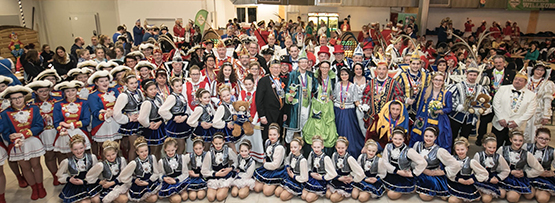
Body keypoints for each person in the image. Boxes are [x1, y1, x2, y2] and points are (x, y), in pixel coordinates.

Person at [1, 85, 47, 200]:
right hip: (17, 144)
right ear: (10, 100)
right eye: (14, 98)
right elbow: (5, 132)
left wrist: (24, 134)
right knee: (25, 167)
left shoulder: (34, 108)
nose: (18, 100)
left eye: (20, 97)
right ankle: (34, 188)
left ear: (24, 97)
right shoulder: (4, 113)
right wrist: (12, 137)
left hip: (32, 140)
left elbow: (39, 125)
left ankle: (41, 186)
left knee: (36, 165)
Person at [25, 80, 60, 186]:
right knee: (49, 155)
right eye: (41, 91)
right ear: (35, 92)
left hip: (58, 130)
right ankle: (55, 175)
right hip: (43, 133)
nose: (44, 93)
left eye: (46, 90)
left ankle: (64, 174)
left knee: (61, 153)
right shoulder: (31, 105)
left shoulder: (58, 100)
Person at [412, 126, 460, 201]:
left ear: (435, 137)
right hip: (419, 173)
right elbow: (412, 161)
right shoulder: (417, 145)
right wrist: (423, 170)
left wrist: (440, 172)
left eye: (431, 136)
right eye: (426, 136)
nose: (428, 138)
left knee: (425, 197)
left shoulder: (439, 150)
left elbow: (456, 165)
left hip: (431, 177)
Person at [496, 130, 544, 202]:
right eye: (515, 140)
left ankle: (516, 191)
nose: (518, 143)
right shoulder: (502, 149)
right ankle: (509, 191)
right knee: (502, 195)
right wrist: (509, 172)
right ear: (510, 139)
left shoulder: (526, 154)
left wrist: (525, 173)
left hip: (518, 179)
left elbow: (539, 169)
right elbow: (495, 165)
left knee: (520, 197)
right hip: (504, 176)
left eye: (520, 140)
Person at [478, 55, 515, 145]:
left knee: (502, 122)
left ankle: (502, 140)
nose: (498, 64)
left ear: (504, 63)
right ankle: (481, 139)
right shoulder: (487, 72)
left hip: (503, 103)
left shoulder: (511, 73)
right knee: (484, 121)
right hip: (489, 102)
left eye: (500, 62)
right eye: (496, 62)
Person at [492, 72, 537, 147]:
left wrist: (517, 122)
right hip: (499, 124)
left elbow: (530, 111)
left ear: (525, 83)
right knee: (495, 145)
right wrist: (500, 118)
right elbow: (496, 103)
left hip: (516, 127)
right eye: (516, 79)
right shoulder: (503, 89)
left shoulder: (531, 95)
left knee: (512, 147)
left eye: (520, 80)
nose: (517, 81)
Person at [381, 127, 427, 200]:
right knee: (383, 188)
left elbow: (423, 163)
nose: (397, 141)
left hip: (404, 176)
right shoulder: (388, 146)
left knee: (391, 195)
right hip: (392, 173)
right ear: (391, 138)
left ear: (404, 139)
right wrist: (397, 171)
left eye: (400, 139)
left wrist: (413, 173)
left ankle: (409, 189)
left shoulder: (409, 150)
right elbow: (385, 161)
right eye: (395, 138)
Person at [410, 72, 453, 151]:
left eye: (440, 80)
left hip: (440, 121)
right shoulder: (425, 91)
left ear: (443, 82)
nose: (438, 82)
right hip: (425, 119)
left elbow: (450, 108)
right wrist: (418, 118)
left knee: (441, 139)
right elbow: (421, 105)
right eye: (436, 79)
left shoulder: (447, 94)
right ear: (432, 80)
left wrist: (441, 110)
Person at [303, 61, 337, 155]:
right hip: (317, 104)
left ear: (329, 68)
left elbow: (334, 92)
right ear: (320, 68)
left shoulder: (332, 79)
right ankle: (314, 149)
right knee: (315, 125)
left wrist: (332, 98)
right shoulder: (314, 79)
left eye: (327, 67)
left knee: (329, 126)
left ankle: (326, 151)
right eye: (323, 67)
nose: (325, 69)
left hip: (328, 106)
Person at [448, 66, 489, 142]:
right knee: (452, 136)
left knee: (465, 137)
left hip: (470, 118)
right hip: (456, 116)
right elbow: (449, 98)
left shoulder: (480, 88)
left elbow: (486, 101)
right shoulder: (458, 86)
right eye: (471, 75)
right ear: (466, 74)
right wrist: (456, 106)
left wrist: (480, 109)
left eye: (474, 75)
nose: (472, 77)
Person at [56, 134, 101, 203]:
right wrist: (69, 179)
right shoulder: (67, 161)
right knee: (85, 202)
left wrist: (87, 181)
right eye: (75, 149)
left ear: (85, 146)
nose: (79, 151)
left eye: (81, 148)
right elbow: (60, 175)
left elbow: (97, 172)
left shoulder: (92, 157)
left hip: (90, 182)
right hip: (76, 185)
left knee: (96, 199)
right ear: (71, 149)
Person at [285, 49, 317, 143]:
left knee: (305, 126)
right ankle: (287, 147)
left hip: (307, 105)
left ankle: (303, 147)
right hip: (295, 106)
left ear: (308, 64)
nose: (303, 64)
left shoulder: (311, 75)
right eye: (301, 62)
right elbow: (287, 89)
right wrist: (288, 98)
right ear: (298, 63)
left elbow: (315, 90)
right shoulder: (293, 74)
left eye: (305, 62)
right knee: (291, 128)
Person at [360, 61, 404, 130]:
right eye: (379, 69)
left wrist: (395, 109)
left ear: (387, 70)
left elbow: (399, 97)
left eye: (384, 69)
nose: (381, 71)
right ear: (376, 70)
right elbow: (366, 95)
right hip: (372, 118)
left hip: (388, 118)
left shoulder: (394, 83)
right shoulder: (370, 83)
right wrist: (365, 104)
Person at [88, 70, 121, 157]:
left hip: (115, 122)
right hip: (102, 125)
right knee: (104, 149)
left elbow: (120, 104)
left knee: (116, 147)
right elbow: (95, 112)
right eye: (101, 81)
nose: (105, 83)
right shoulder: (93, 95)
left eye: (106, 80)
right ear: (96, 83)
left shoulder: (114, 91)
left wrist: (114, 111)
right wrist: (105, 115)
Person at [447, 137, 489, 203]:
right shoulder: (452, 159)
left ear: (467, 149)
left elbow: (484, 173)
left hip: (467, 183)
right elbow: (448, 172)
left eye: (462, 149)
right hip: (456, 182)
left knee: (474, 198)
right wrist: (457, 179)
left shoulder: (471, 161)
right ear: (455, 150)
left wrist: (473, 179)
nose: (460, 152)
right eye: (457, 150)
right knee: (451, 200)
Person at [120, 136, 161, 203]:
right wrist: (134, 180)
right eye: (141, 152)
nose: (144, 153)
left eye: (146, 150)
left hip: (150, 182)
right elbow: (123, 176)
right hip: (140, 184)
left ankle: (147, 196)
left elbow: (156, 173)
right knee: (153, 198)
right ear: (137, 152)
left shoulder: (152, 157)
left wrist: (149, 182)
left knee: (159, 195)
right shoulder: (134, 163)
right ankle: (143, 196)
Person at [113, 71, 143, 160]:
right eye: (131, 83)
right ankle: (131, 168)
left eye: (135, 83)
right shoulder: (123, 96)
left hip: (139, 122)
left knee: (139, 146)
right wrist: (128, 118)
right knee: (134, 147)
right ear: (126, 84)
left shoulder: (139, 92)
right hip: (131, 124)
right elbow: (116, 112)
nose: (134, 85)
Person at [473, 134, 510, 203]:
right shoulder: (478, 155)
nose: (492, 150)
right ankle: (481, 192)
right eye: (489, 147)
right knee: (482, 199)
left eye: (494, 148)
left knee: (501, 195)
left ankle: (486, 193)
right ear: (484, 145)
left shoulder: (498, 157)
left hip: (493, 178)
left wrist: (498, 178)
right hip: (481, 178)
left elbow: (506, 170)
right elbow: (475, 171)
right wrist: (487, 179)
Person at [200, 133, 237, 202]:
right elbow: (203, 170)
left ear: (223, 142)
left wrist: (231, 168)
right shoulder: (209, 153)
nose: (218, 145)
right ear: (213, 143)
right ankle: (217, 188)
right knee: (211, 198)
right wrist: (215, 174)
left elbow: (236, 161)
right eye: (216, 144)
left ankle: (225, 188)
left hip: (225, 176)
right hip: (214, 176)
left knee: (219, 197)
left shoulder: (228, 150)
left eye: (220, 143)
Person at [327, 137, 365, 203]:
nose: (340, 150)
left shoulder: (349, 158)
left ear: (346, 147)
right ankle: (340, 192)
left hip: (346, 181)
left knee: (333, 198)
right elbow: (332, 169)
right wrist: (338, 178)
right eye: (338, 148)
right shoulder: (334, 155)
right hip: (337, 179)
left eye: (342, 148)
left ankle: (347, 192)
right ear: (336, 147)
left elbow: (361, 173)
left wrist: (353, 178)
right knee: (327, 195)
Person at [255, 60, 285, 141]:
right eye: (274, 68)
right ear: (270, 69)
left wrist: (284, 112)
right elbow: (259, 99)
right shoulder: (264, 81)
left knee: (278, 135)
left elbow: (283, 97)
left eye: (278, 68)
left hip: (279, 114)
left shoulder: (282, 80)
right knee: (267, 136)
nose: (276, 70)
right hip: (268, 114)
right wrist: (262, 115)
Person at [524, 62, 554, 143]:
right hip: (524, 109)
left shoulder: (547, 84)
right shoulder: (525, 80)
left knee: (534, 133)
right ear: (533, 70)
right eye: (537, 69)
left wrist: (546, 115)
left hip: (538, 111)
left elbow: (547, 101)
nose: (539, 72)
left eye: (542, 70)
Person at [253, 123, 287, 196]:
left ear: (278, 135)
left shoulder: (279, 148)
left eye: (274, 135)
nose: (272, 137)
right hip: (268, 168)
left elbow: (275, 165)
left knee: (266, 192)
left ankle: (278, 184)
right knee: (256, 188)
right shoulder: (267, 142)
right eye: (270, 135)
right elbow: (266, 153)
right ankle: (267, 182)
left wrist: (264, 164)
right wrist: (264, 159)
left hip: (277, 170)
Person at [159, 77, 191, 154]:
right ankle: (175, 163)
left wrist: (185, 116)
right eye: (177, 86)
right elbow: (162, 110)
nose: (179, 88)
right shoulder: (172, 97)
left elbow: (186, 108)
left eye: (180, 85)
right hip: (176, 125)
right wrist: (172, 117)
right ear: (172, 87)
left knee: (182, 146)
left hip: (182, 121)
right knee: (178, 147)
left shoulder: (181, 95)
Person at [302, 136, 336, 203]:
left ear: (322, 147)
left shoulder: (326, 158)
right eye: (314, 147)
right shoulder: (311, 154)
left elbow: (333, 173)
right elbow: (308, 166)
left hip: (321, 180)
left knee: (308, 199)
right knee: (303, 196)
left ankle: (319, 193)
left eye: (318, 147)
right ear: (312, 147)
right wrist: (310, 173)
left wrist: (322, 177)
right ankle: (314, 192)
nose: (316, 149)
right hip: (312, 177)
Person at [274, 136, 308, 201]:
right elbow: (287, 160)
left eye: (295, 147)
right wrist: (287, 167)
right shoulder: (291, 154)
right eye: (291, 147)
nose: (293, 149)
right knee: (277, 192)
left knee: (283, 197)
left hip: (298, 180)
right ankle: (288, 189)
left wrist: (294, 176)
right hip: (290, 177)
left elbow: (305, 178)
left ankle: (294, 192)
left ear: (300, 147)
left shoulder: (302, 161)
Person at [138, 80, 166, 159]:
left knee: (159, 149)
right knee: (153, 151)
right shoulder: (147, 102)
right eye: (151, 89)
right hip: (152, 129)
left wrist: (160, 122)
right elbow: (141, 118)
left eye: (155, 88)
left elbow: (164, 111)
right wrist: (148, 125)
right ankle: (152, 167)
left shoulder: (158, 98)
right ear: (146, 91)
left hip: (159, 126)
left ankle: (158, 167)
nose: (153, 91)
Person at [526, 128, 555, 203]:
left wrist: (553, 172)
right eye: (541, 138)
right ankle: (534, 189)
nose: (543, 141)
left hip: (544, 177)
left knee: (543, 199)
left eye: (546, 139)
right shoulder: (527, 147)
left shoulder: (552, 151)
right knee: (529, 195)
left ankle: (540, 190)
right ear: (535, 138)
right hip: (530, 175)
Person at [157, 137, 189, 203]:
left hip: (179, 181)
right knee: (177, 200)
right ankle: (170, 194)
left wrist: (176, 180)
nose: (170, 152)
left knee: (185, 197)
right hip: (169, 183)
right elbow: (160, 174)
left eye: (172, 150)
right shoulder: (161, 162)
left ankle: (177, 192)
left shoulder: (182, 158)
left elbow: (185, 173)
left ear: (176, 148)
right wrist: (164, 178)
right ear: (165, 149)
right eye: (168, 150)